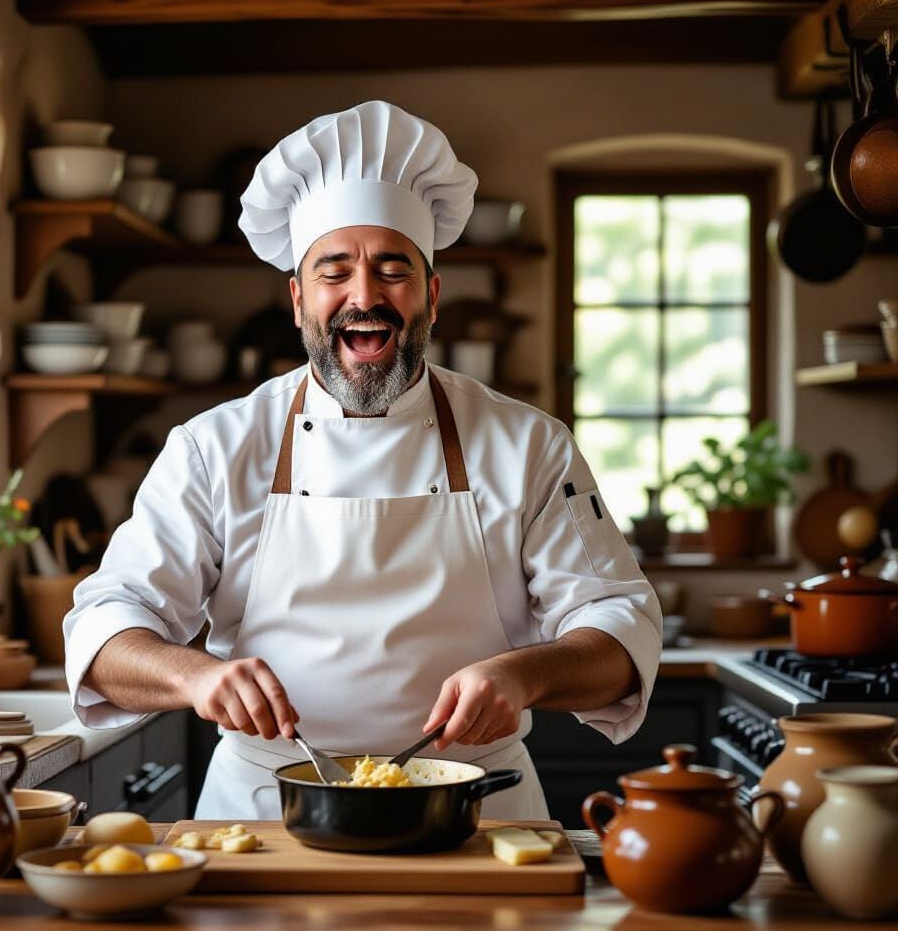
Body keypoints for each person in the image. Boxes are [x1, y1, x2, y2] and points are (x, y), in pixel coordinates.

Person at [63, 101, 662, 820]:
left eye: (392, 269)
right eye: (334, 271)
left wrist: (524, 675)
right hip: (265, 810)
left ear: (432, 297)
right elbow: (104, 631)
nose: (364, 295)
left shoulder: (527, 444)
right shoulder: (214, 447)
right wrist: (194, 677)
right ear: (297, 301)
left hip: (474, 809)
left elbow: (621, 630)